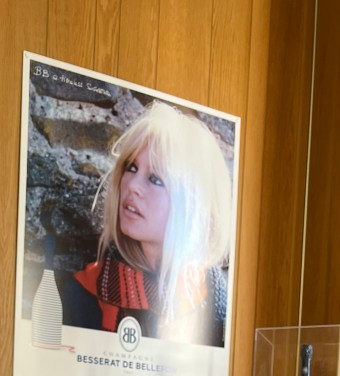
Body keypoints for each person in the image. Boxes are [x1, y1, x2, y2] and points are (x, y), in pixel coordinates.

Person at [56, 101, 233, 346]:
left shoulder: (221, 309)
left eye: (155, 179)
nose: (132, 186)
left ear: (194, 206)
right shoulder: (80, 296)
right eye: (131, 167)